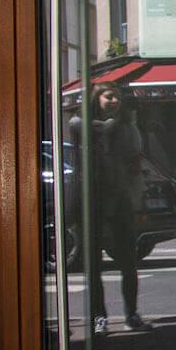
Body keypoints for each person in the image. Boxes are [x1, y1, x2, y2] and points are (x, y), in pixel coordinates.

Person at [73, 85, 150, 334]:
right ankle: (99, 317)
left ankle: (131, 313)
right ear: (97, 98)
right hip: (93, 200)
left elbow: (135, 160)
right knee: (94, 264)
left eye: (117, 96)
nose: (115, 100)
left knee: (128, 261)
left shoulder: (126, 127)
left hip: (120, 199)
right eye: (109, 96)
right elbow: (93, 131)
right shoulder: (81, 124)